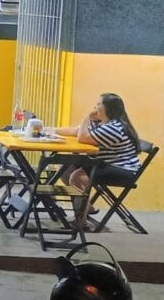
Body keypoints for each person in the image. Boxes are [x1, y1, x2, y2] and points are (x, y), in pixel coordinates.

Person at [57, 93, 141, 227]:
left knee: (76, 177)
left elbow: (82, 137)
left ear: (107, 108)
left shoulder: (114, 128)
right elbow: (77, 131)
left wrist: (87, 117)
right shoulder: (104, 123)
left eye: (99, 104)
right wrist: (51, 131)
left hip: (123, 170)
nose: (95, 107)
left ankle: (81, 221)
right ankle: (86, 206)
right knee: (66, 169)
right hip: (108, 164)